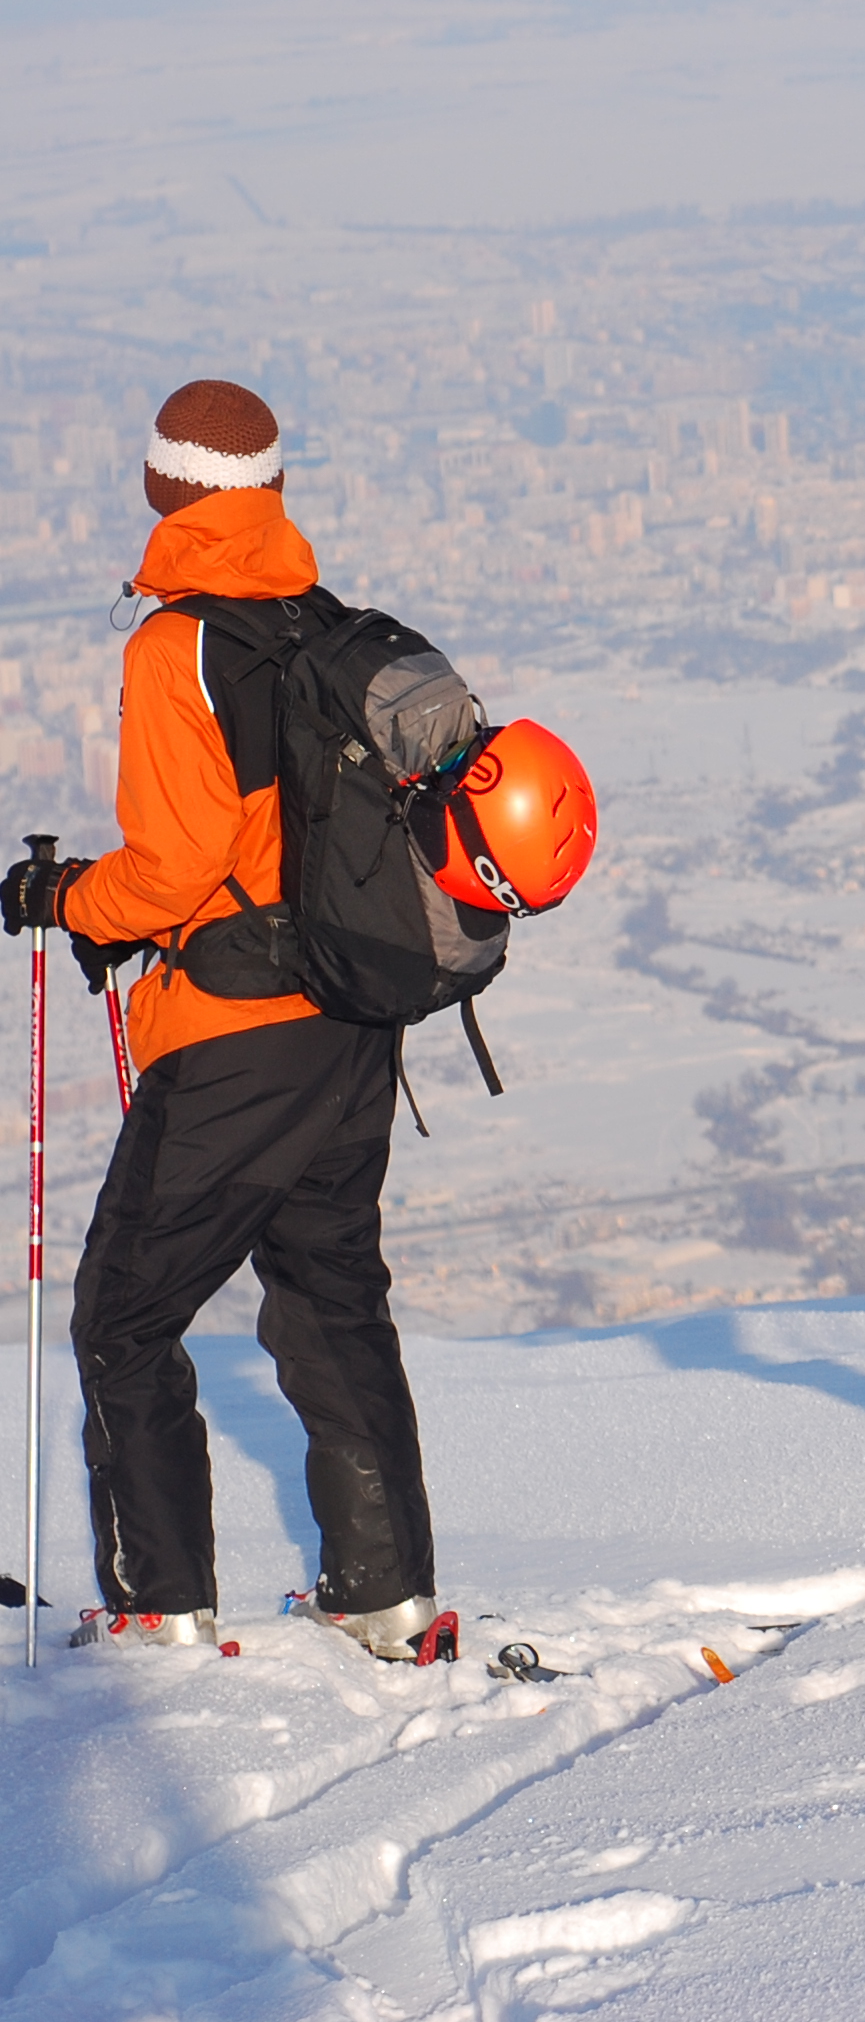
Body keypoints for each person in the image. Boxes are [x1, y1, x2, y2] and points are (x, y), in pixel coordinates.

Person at [0, 381, 440, 1657]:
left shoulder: (179, 644)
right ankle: (387, 1596)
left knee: (123, 1318)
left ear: (163, 489)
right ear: (274, 490)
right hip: (355, 1017)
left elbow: (178, 865)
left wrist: (71, 900)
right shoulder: (321, 626)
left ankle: (159, 1609)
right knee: (329, 1301)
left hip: (238, 1027)